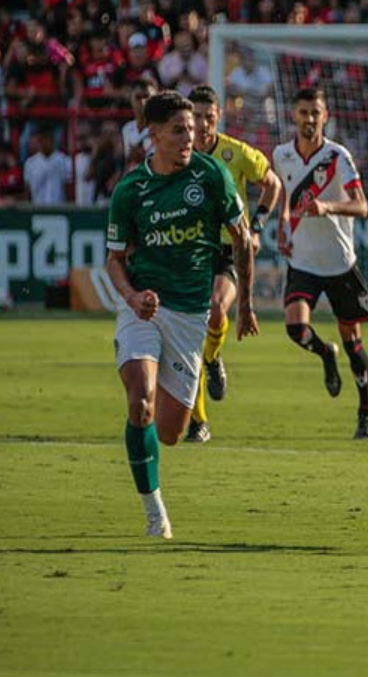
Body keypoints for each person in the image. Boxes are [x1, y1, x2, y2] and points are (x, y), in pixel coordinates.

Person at [106, 91, 258, 539]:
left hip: (192, 315)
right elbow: (114, 260)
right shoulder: (131, 190)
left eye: (191, 129)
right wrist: (133, 298)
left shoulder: (211, 176)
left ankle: (147, 444)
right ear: (153, 135)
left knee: (171, 431)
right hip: (146, 309)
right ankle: (155, 513)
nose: (189, 137)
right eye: (179, 130)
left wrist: (244, 302)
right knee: (141, 400)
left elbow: (242, 239)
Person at [273, 86, 368, 441]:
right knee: (294, 328)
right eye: (303, 112)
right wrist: (282, 226)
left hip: (339, 263)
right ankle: (324, 353)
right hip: (303, 261)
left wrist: (328, 207)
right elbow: (286, 194)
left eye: (315, 112)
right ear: (294, 115)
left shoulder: (338, 157)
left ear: (325, 116)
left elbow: (362, 206)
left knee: (354, 341)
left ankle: (366, 411)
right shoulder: (282, 154)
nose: (309, 119)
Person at [185, 84, 283, 443]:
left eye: (209, 117)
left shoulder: (236, 153)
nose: (203, 124)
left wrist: (256, 226)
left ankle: (213, 359)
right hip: (192, 249)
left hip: (228, 249)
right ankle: (199, 422)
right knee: (191, 333)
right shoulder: (177, 157)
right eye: (196, 117)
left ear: (218, 118)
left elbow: (272, 184)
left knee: (214, 310)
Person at [121, 77, 158, 170]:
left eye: (147, 97)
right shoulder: (127, 129)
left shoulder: (162, 128)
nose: (143, 102)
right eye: (138, 97)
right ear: (131, 98)